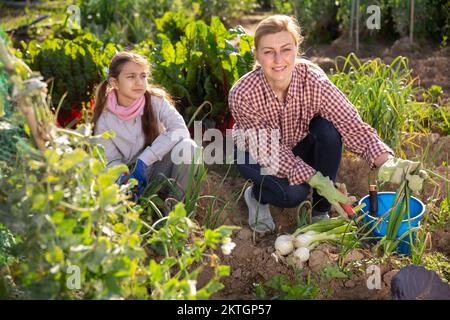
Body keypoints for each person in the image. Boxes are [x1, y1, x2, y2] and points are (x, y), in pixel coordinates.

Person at [229, 15, 424, 233]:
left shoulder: (312, 79)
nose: (278, 59)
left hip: (294, 145)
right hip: (255, 154)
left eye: (286, 49)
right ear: (256, 54)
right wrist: (317, 180)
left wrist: (387, 162)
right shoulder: (243, 93)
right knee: (294, 194)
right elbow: (270, 152)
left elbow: (350, 123)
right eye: (268, 52)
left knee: (328, 130)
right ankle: (256, 196)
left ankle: (321, 210)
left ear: (296, 48)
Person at [92, 51, 200, 201]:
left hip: (158, 168)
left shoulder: (156, 102)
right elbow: (110, 160)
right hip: (131, 178)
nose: (139, 82)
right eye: (131, 77)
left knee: (188, 148)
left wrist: (144, 160)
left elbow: (180, 130)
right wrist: (125, 179)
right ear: (114, 83)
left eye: (143, 76)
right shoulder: (104, 119)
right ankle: (138, 206)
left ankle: (175, 210)